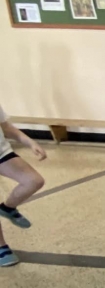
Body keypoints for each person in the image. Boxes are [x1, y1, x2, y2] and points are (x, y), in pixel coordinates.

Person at [0, 104, 47, 268]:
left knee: (34, 181)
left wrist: (30, 143)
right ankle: (1, 247)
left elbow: (6, 127)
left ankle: (7, 208)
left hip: (2, 153)